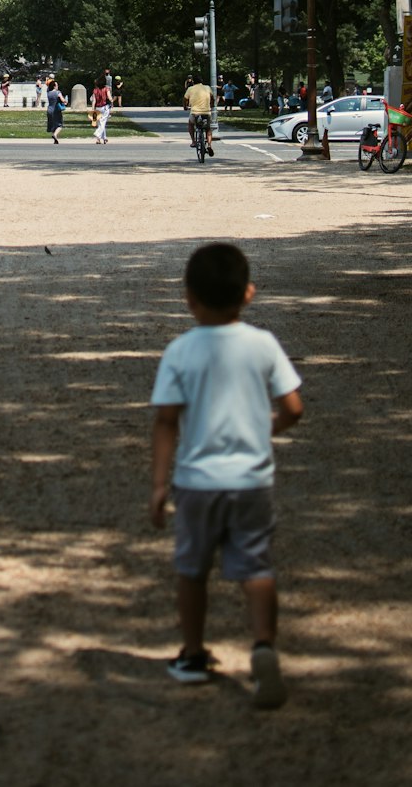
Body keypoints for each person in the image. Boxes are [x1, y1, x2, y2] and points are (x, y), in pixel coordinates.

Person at [150, 242, 303, 706]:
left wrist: (159, 483)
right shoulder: (264, 345)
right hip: (251, 482)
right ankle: (263, 645)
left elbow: (166, 421)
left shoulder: (180, 351)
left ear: (188, 298)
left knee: (192, 570)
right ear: (249, 294)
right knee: (255, 567)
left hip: (197, 482)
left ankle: (193, 655)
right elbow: (294, 407)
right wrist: (266, 428)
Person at [184, 75, 214, 156]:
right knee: (208, 129)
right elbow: (212, 98)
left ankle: (193, 142)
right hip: (206, 112)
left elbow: (185, 99)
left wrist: (185, 107)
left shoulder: (190, 89)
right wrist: (212, 105)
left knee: (191, 124)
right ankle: (209, 145)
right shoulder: (207, 88)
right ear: (202, 81)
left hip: (195, 112)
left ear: (193, 82)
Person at [45, 76, 67, 144]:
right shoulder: (58, 92)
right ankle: (55, 135)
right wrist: (65, 101)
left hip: (49, 109)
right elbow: (63, 100)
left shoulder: (49, 93)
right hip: (56, 110)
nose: (57, 86)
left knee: (52, 124)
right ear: (54, 86)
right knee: (59, 125)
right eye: (56, 85)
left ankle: (55, 138)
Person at [92, 77, 112, 145]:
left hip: (97, 107)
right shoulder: (106, 89)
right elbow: (109, 97)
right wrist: (112, 101)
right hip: (105, 107)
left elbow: (94, 100)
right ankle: (97, 134)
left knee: (100, 123)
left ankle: (103, 138)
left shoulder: (95, 90)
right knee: (103, 123)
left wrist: (93, 109)